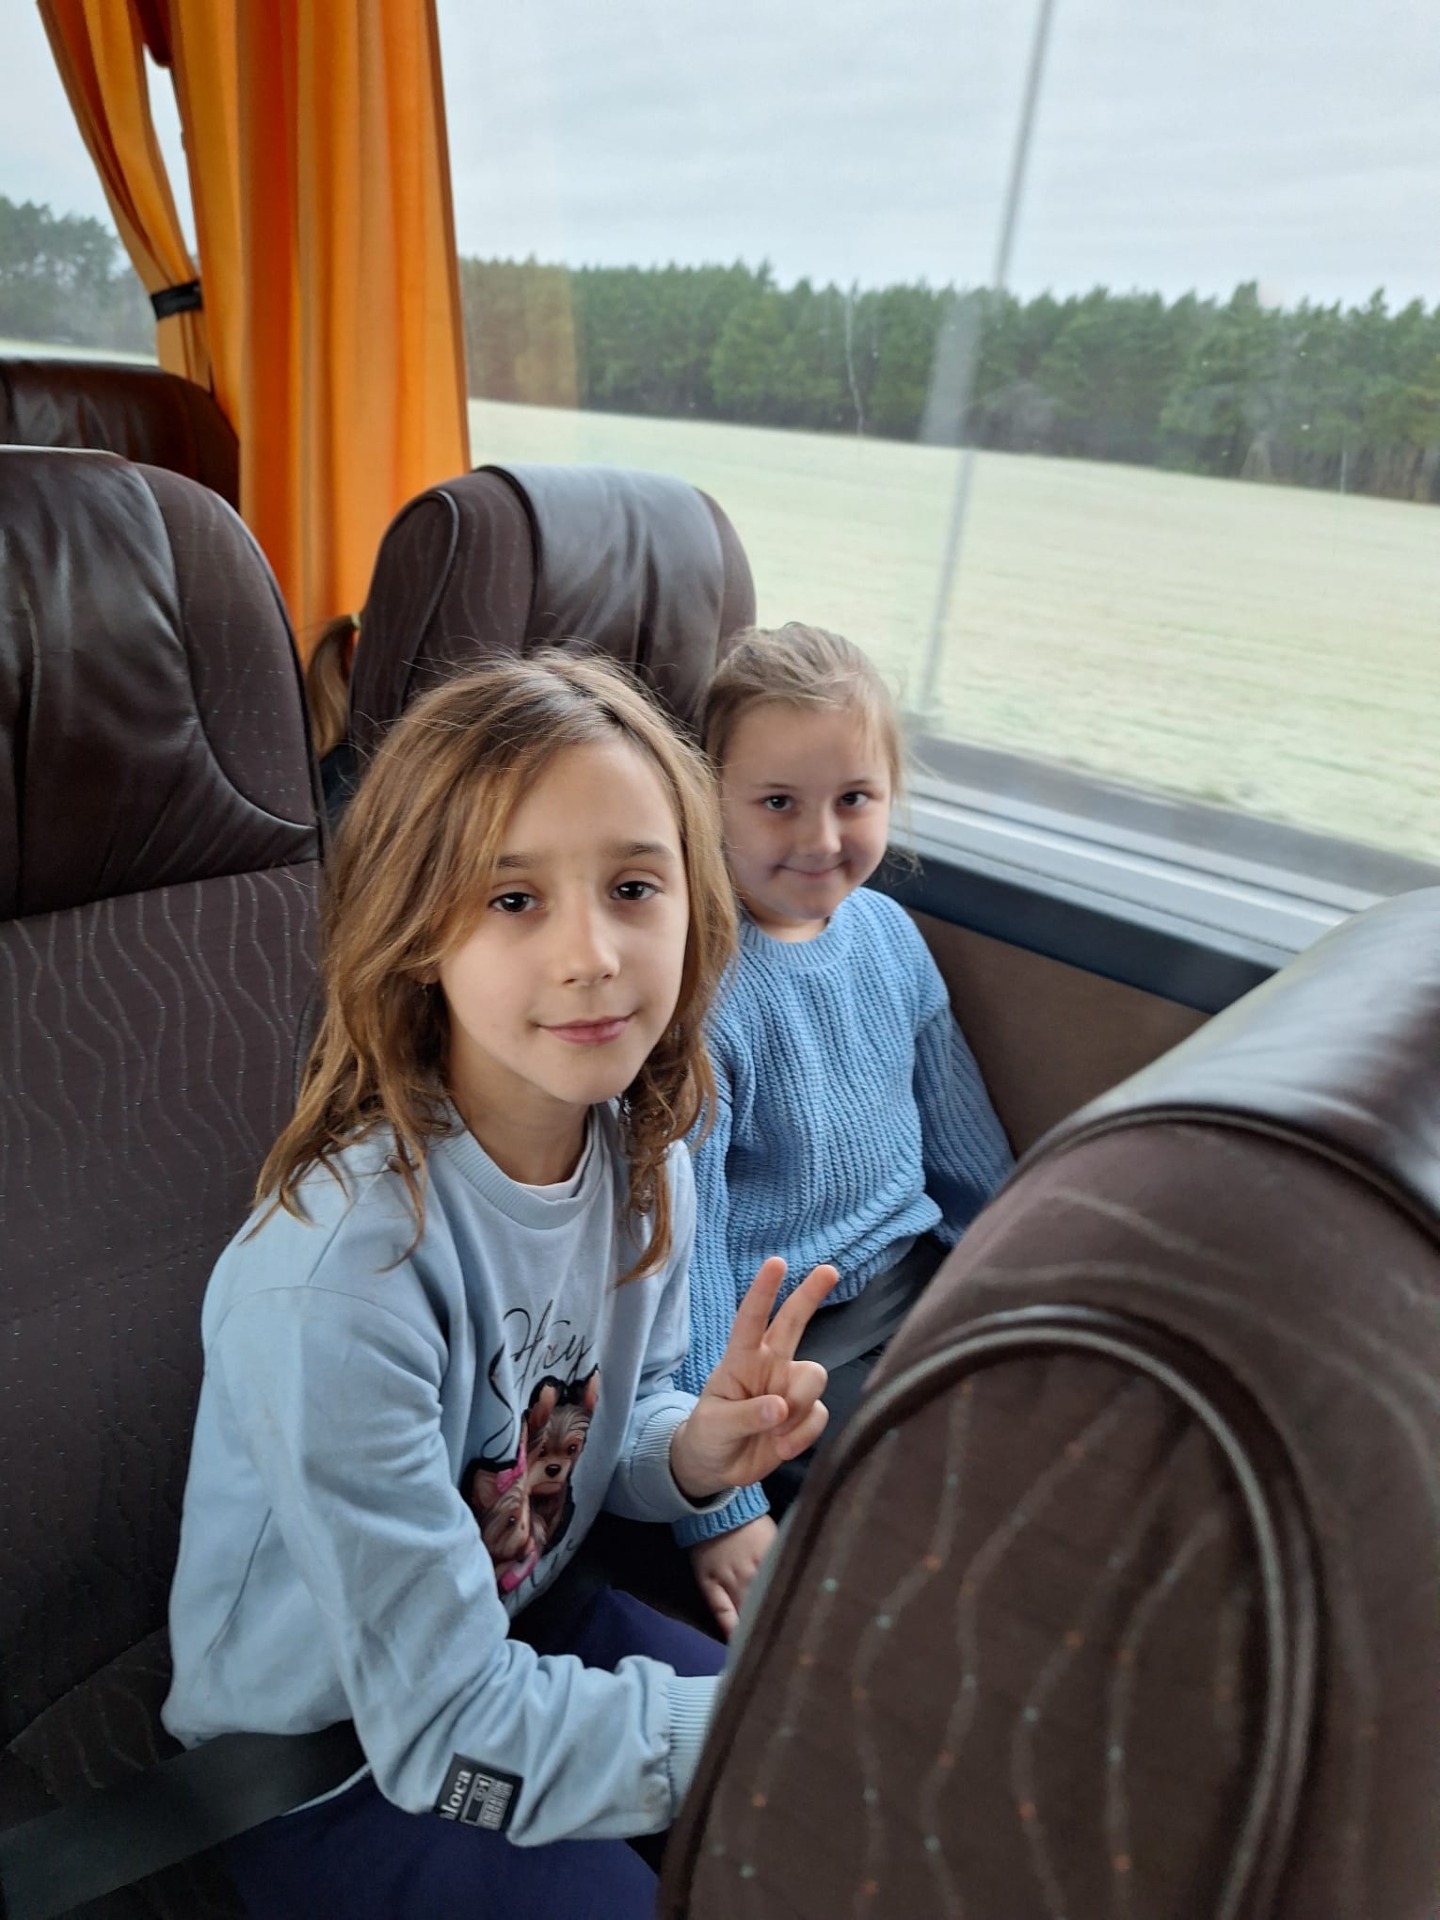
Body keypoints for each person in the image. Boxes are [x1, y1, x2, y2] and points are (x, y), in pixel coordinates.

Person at [162, 654, 838, 1920]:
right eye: (513, 899)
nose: (592, 954)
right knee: (787, 1747)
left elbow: (579, 1434)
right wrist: (754, 1724)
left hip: (524, 1631)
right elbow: (445, 1741)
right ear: (419, 933)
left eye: (633, 887)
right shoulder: (338, 1287)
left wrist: (691, 1451)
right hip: (340, 1764)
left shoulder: (646, 1160)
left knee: (841, 1805)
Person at [676, 623, 1015, 1637]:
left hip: (919, 1286)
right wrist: (720, 1505)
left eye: (855, 799)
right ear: (710, 800)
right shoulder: (704, 998)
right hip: (789, 1351)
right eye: (778, 803)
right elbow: (688, 1268)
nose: (823, 839)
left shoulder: (892, 940)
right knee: (940, 1513)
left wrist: (1020, 1286)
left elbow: (969, 1158)